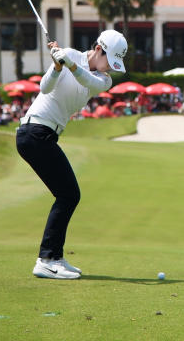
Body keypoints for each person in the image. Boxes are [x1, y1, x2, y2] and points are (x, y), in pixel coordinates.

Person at [16, 29, 128, 280]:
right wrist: (57, 66)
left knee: (67, 194)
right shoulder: (68, 55)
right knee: (68, 194)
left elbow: (91, 83)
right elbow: (45, 89)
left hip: (45, 136)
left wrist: (72, 68)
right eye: (110, 61)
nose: (110, 68)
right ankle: (47, 259)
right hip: (33, 132)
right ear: (98, 49)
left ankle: (54, 257)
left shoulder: (103, 78)